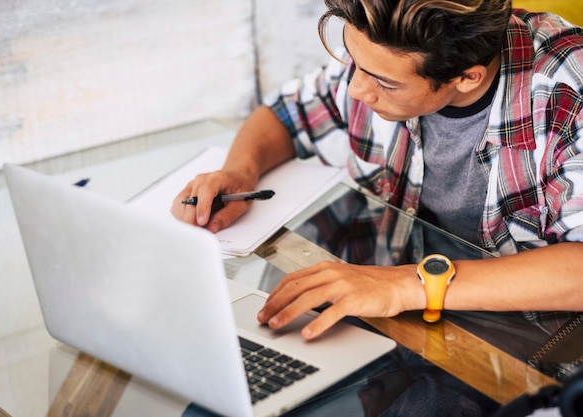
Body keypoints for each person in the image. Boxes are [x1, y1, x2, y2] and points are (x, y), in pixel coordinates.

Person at [171, 0, 583, 343]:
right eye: (354, 62)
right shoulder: (381, 54)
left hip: (524, 342)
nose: (354, 89)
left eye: (383, 84)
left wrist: (409, 284)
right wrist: (241, 170)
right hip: (395, 315)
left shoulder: (568, 90)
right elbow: (287, 112)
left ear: (466, 77)